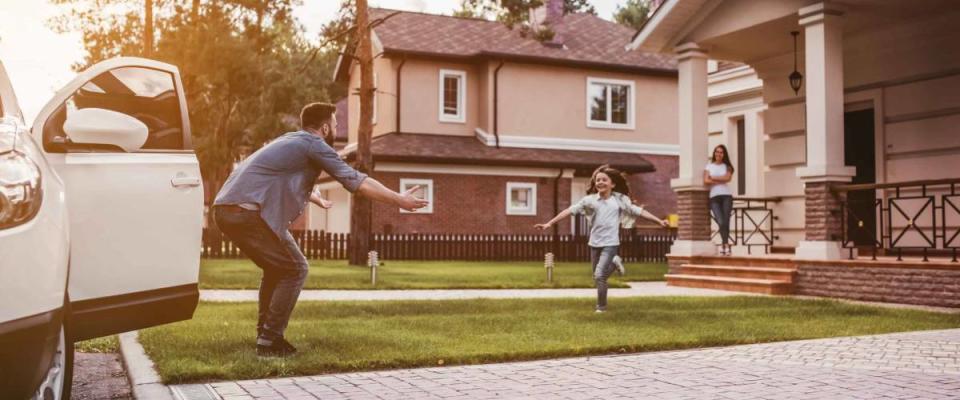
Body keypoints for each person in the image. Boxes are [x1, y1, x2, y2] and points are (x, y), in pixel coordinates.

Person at [213, 102, 428, 357]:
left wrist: (314, 197)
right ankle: (269, 340)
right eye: (336, 124)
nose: (337, 128)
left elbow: (277, 177)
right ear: (325, 127)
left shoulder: (290, 140)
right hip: (247, 213)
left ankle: (266, 334)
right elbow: (356, 180)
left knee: (277, 268)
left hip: (227, 209)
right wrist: (399, 199)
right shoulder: (315, 145)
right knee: (295, 269)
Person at [535, 165, 668, 313]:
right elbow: (568, 210)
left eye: (604, 180)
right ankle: (615, 263)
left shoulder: (620, 201)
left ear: (613, 184)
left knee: (599, 275)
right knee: (597, 277)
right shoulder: (590, 200)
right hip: (594, 243)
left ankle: (601, 308)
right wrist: (549, 223)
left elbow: (640, 212)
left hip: (610, 244)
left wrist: (659, 221)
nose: (600, 182)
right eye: (598, 180)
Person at [704, 144, 735, 255]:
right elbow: (706, 181)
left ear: (724, 154)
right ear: (714, 153)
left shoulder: (727, 166)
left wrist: (713, 178)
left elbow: (727, 178)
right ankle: (725, 244)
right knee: (721, 222)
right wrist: (720, 180)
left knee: (726, 221)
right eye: (717, 151)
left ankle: (725, 245)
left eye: (721, 152)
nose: (718, 154)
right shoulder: (709, 166)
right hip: (714, 198)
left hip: (727, 196)